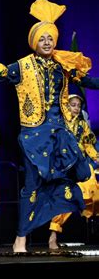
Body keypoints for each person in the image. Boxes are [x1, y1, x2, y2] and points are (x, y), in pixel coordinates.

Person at [0, 0, 99, 252]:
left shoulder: (63, 65)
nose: (47, 42)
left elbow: (87, 82)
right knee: (32, 186)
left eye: (50, 38)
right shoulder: (22, 66)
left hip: (60, 134)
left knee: (83, 174)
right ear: (34, 41)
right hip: (34, 136)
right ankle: (20, 238)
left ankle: (51, 218)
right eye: (42, 38)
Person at [48, 94, 99, 249]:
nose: (76, 108)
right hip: (65, 166)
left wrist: (97, 158)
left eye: (78, 105)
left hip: (82, 165)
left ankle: (91, 221)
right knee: (66, 200)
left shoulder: (83, 125)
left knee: (95, 194)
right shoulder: (59, 124)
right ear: (66, 106)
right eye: (73, 105)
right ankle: (53, 235)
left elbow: (88, 145)